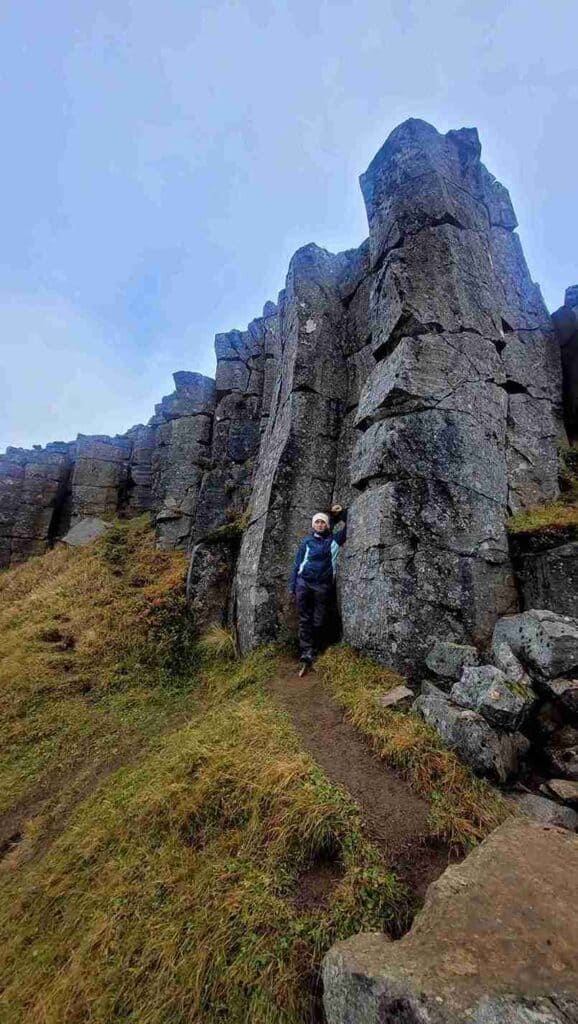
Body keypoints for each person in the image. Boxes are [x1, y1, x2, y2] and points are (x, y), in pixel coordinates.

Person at [289, 504, 347, 673]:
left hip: (323, 585)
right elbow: (297, 564)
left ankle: (317, 649)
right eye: (317, 522)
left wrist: (341, 512)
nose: (320, 525)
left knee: (319, 619)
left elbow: (352, 525)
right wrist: (293, 586)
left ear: (327, 525)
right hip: (303, 583)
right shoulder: (306, 541)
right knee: (304, 618)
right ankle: (306, 652)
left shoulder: (334, 541)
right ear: (313, 525)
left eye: (323, 522)